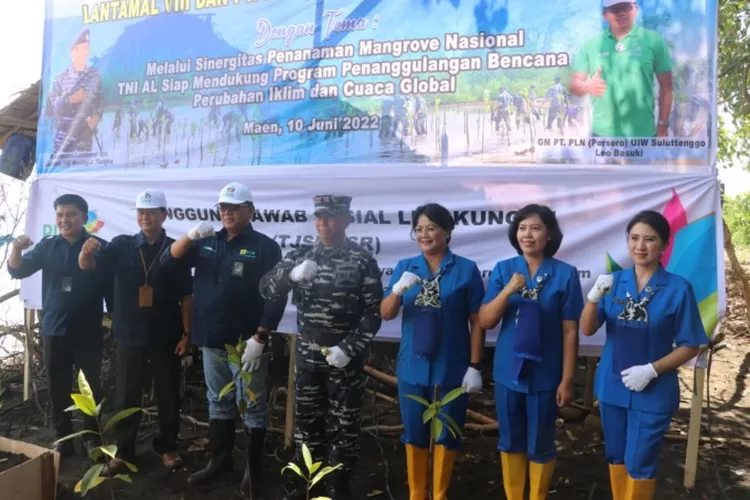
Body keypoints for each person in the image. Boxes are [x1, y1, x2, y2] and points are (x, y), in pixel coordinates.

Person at [161, 182, 286, 497]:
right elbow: (168, 261)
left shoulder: (265, 246)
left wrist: (262, 334)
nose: (227, 212)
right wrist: (189, 235)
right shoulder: (207, 241)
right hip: (211, 338)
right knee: (218, 401)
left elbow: (277, 294)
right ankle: (220, 461)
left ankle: (253, 471)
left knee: (252, 406)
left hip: (247, 342)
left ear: (250, 210)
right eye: (222, 207)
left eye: (234, 207)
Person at [259, 195, 383, 500]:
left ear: (346, 221)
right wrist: (290, 275)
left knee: (345, 425)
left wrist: (350, 348)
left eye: (330, 217)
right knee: (307, 424)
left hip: (344, 359)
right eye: (319, 217)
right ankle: (307, 484)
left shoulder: (361, 259)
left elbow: (374, 312)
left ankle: (339, 486)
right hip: (308, 355)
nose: (323, 223)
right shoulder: (301, 254)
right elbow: (265, 288)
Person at [580, 210, 707, 500]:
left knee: (640, 462)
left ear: (663, 245)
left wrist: (651, 370)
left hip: (654, 390)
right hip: (612, 386)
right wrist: (593, 298)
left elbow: (691, 344)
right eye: (634, 238)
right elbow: (587, 330)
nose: (641, 245)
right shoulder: (613, 282)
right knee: (616, 456)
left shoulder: (677, 288)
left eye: (650, 239)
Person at [78, 189, 192, 471]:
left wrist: (188, 334)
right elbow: (88, 267)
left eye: (152, 212)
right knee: (127, 395)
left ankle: (167, 447)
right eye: (141, 212)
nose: (146, 217)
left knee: (167, 393)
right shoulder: (121, 245)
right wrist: (85, 252)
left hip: (167, 335)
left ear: (164, 214)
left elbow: (187, 296)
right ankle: (124, 452)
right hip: (129, 335)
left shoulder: (176, 249)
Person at [380, 203, 485, 500]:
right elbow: (386, 314)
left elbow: (477, 322)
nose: (424, 235)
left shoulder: (466, 269)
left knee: (447, 433)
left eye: (431, 228)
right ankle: (416, 493)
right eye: (419, 229)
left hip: (451, 366)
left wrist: (475, 365)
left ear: (447, 232)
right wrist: (398, 291)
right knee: (414, 432)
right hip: (412, 366)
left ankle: (439, 494)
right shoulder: (404, 267)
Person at [479, 204, 583, 500]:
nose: (528, 234)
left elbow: (570, 331)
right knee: (511, 440)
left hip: (546, 373)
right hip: (507, 371)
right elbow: (486, 320)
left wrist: (567, 379)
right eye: (522, 228)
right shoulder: (504, 270)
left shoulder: (565, 274)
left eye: (536, 228)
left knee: (540, 442)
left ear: (549, 235)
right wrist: (508, 290)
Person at [7, 194, 111, 456]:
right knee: (57, 385)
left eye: (71, 214)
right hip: (54, 328)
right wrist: (17, 249)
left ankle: (91, 436)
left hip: (86, 330)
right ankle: (63, 436)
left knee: (90, 385)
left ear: (84, 217)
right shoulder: (48, 245)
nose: (65, 220)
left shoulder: (98, 245)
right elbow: (18, 270)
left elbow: (101, 277)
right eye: (60, 215)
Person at [570, 1, 673, 138]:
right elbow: (574, 83)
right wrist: (586, 86)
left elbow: (666, 85)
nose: (621, 13)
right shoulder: (590, 45)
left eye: (626, 7)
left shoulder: (653, 40)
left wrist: (663, 125)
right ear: (605, 15)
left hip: (644, 136)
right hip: (602, 136)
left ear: (635, 9)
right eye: (615, 9)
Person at [46, 29, 104, 155]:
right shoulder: (60, 79)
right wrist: (70, 99)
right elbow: (50, 108)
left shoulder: (94, 77)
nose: (84, 52)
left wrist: (96, 117)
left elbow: (100, 102)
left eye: (86, 48)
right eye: (80, 48)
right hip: (62, 142)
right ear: (72, 51)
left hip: (85, 141)